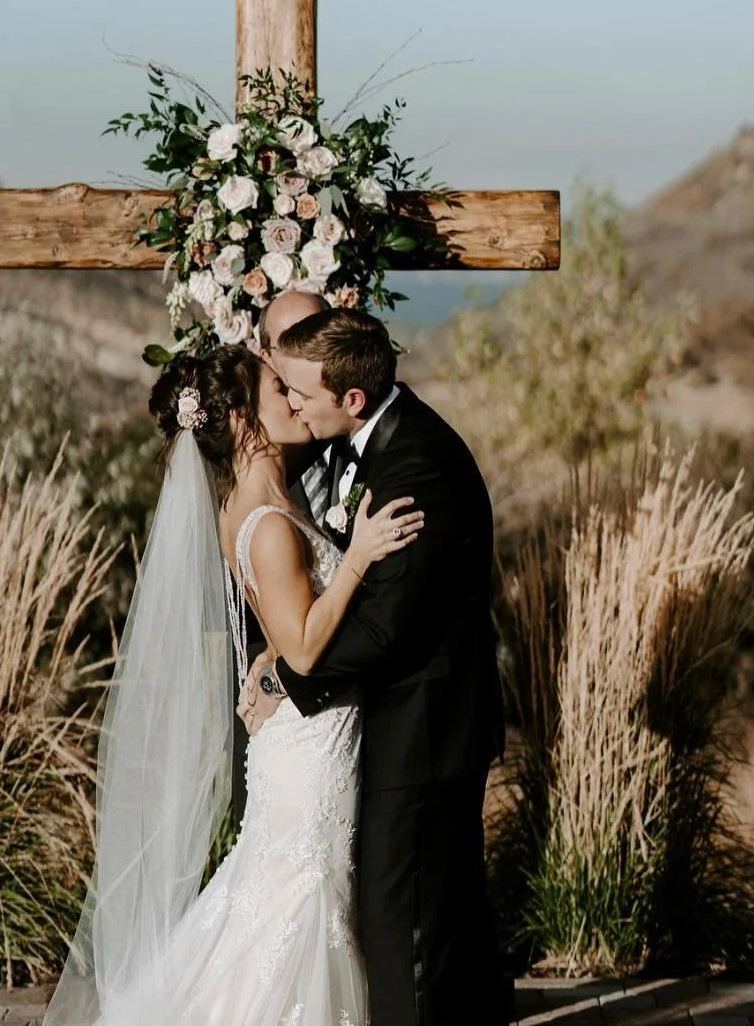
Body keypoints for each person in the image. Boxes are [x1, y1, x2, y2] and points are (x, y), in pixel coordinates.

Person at [43, 342, 424, 1026]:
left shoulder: (262, 501)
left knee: (283, 898)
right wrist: (360, 558)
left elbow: (281, 634)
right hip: (308, 746)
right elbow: (306, 649)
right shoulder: (269, 522)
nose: (295, 401)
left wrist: (265, 660)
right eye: (280, 391)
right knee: (300, 903)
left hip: (311, 734)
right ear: (247, 420)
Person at [242, 308, 511, 1026]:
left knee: (404, 932)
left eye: (300, 392)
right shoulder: (370, 443)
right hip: (403, 726)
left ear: (350, 399)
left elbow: (388, 629)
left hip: (425, 729)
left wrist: (287, 678)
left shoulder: (414, 467)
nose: (292, 405)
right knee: (432, 914)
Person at [229, 289, 329, 832]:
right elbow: (296, 639)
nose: (296, 394)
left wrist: (270, 669)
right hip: (302, 735)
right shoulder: (259, 513)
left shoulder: (283, 484)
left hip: (330, 732)